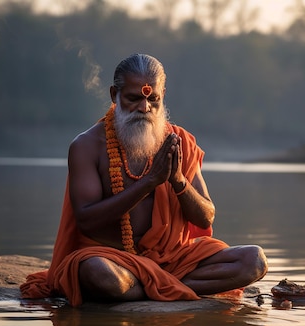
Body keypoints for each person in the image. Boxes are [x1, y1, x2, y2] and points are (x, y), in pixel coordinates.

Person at [21, 53, 268, 306]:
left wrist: (178, 180)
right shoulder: (87, 146)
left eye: (153, 99)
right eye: (134, 98)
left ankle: (154, 287)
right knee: (96, 273)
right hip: (115, 259)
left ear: (163, 95)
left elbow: (206, 217)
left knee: (253, 261)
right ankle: (168, 287)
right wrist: (149, 181)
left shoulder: (179, 142)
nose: (144, 108)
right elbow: (87, 220)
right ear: (113, 95)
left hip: (175, 260)